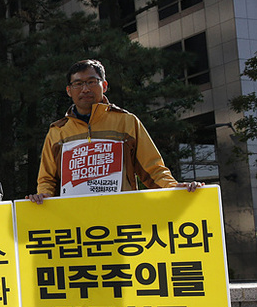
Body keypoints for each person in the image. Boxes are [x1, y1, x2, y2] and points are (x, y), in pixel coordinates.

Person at [27, 59, 202, 203]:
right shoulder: (57, 131)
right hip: (75, 218)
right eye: (78, 84)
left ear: (104, 85)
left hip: (121, 214)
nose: (85, 89)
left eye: (91, 82)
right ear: (68, 90)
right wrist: (44, 198)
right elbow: (47, 179)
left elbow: (152, 169)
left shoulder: (127, 121)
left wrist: (174, 188)